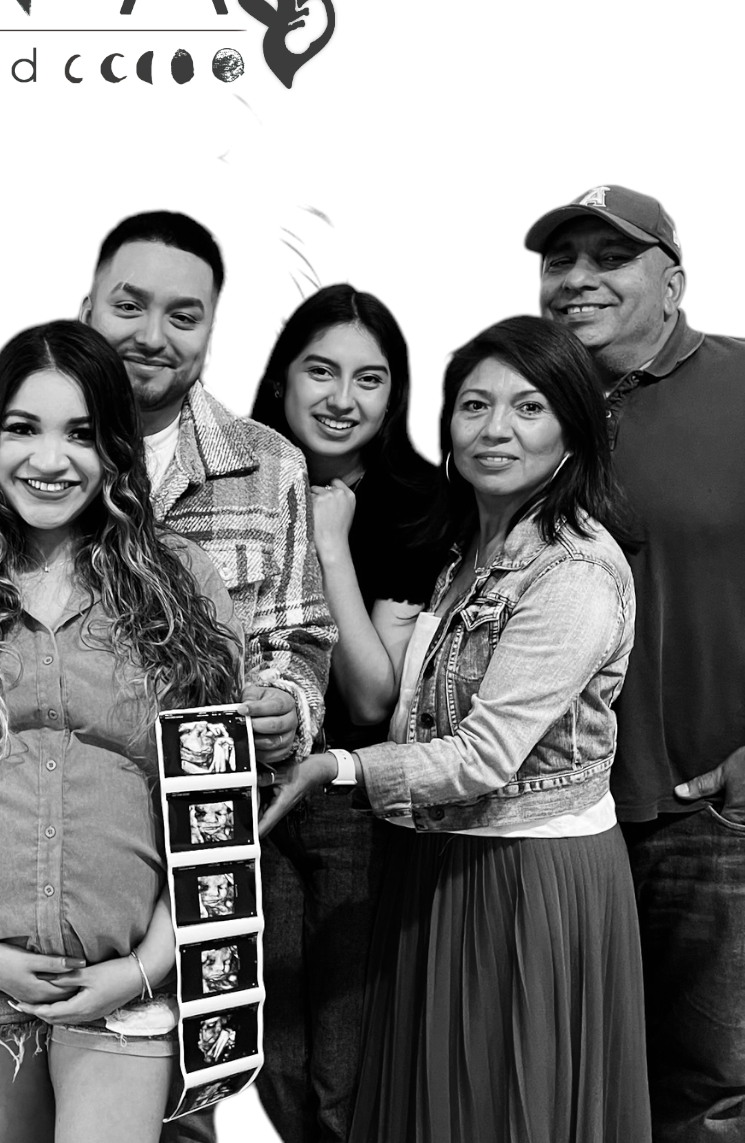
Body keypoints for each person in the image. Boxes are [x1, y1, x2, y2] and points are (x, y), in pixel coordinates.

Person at [0, 321, 245, 1143]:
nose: (50, 460)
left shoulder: (183, 588)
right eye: (23, 428)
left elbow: (217, 812)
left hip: (128, 977)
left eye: (82, 435)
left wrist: (144, 966)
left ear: (117, 455)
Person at [258, 316, 648, 1142]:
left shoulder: (574, 569)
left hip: (528, 876)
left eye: (528, 407)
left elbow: (484, 756)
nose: (494, 428)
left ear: (574, 434)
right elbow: (408, 702)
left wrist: (337, 768)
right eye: (474, 405)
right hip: (440, 861)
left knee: (508, 1104)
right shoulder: (464, 547)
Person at [0, 211, 334, 771]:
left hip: (203, 814)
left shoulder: (269, 465)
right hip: (11, 804)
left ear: (210, 333)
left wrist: (286, 705)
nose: (153, 337)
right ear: (87, 314)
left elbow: (298, 640)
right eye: (128, 307)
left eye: (183, 317)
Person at [527, 184, 745, 1141]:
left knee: (711, 1096)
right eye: (559, 261)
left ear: (674, 281)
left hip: (712, 817)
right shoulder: (525, 410)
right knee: (572, 1086)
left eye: (608, 259)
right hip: (556, 822)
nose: (577, 280)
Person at [246, 285, 442, 1143]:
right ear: (282, 380)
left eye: (370, 379)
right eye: (320, 371)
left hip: (357, 809)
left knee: (346, 1069)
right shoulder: (234, 488)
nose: (341, 398)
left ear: (395, 394)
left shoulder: (423, 503)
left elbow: (370, 697)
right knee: (272, 1059)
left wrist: (328, 540)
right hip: (244, 795)